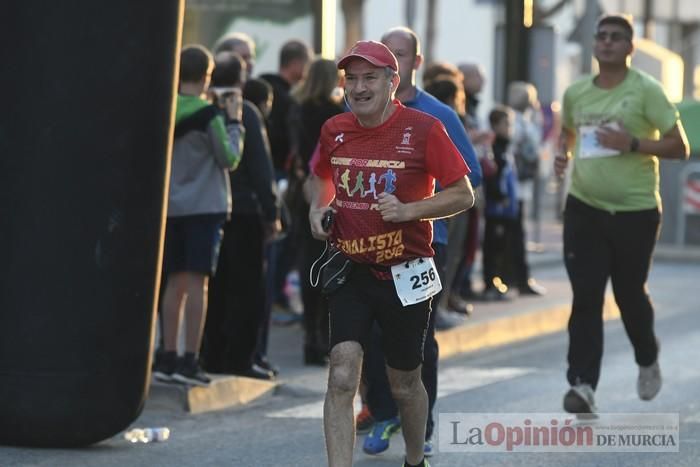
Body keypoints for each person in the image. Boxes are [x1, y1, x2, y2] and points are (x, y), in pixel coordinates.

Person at [309, 39, 474, 467]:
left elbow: (463, 194)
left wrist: (410, 210)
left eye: (370, 78)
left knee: (404, 383)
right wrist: (317, 207)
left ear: (392, 82)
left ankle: (415, 458)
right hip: (351, 269)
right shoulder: (334, 129)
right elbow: (319, 176)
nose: (359, 87)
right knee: (342, 373)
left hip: (407, 271)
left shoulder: (424, 128)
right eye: (352, 79)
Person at [352, 27, 480, 460]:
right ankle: (384, 413)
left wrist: (414, 204)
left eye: (400, 54)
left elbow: (470, 178)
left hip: (423, 244)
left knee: (418, 340)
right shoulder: (357, 111)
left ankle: (420, 427)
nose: (392, 62)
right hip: (367, 245)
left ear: (414, 63)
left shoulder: (436, 114)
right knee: (369, 333)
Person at [555, 14, 689, 415]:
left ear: (630, 48)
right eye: (602, 36)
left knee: (630, 295)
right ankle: (582, 384)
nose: (608, 42)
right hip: (584, 207)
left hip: (635, 211)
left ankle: (647, 356)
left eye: (617, 38)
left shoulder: (647, 91)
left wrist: (630, 142)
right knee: (586, 296)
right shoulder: (577, 92)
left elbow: (679, 146)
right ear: (594, 45)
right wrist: (563, 154)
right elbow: (568, 131)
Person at [153, 45, 243, 386]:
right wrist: (235, 123)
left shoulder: (165, 109)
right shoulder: (210, 115)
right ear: (206, 77)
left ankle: (167, 354)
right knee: (197, 284)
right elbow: (229, 158)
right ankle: (190, 358)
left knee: (173, 282)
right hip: (205, 206)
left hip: (172, 207)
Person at [200, 50, 282, 381]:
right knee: (247, 290)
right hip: (245, 210)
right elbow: (261, 168)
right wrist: (272, 210)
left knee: (215, 288)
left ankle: (212, 354)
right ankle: (241, 358)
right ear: (240, 79)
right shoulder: (244, 111)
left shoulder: (203, 108)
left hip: (209, 206)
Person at [290, 57, 344, 365]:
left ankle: (310, 335)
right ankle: (323, 337)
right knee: (329, 266)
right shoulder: (335, 115)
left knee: (307, 263)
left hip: (304, 192)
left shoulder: (297, 108)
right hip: (329, 191)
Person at [506, 81, 546, 296]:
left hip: (516, 183)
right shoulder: (521, 122)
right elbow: (533, 146)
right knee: (515, 232)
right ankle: (519, 278)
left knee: (515, 231)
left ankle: (514, 277)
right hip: (515, 185)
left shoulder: (518, 120)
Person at [481, 106, 519, 300]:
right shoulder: (494, 148)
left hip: (506, 208)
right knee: (493, 247)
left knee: (501, 246)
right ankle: (490, 283)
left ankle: (496, 280)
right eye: (506, 124)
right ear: (495, 126)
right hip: (496, 208)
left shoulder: (505, 147)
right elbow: (494, 177)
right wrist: (500, 197)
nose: (509, 128)